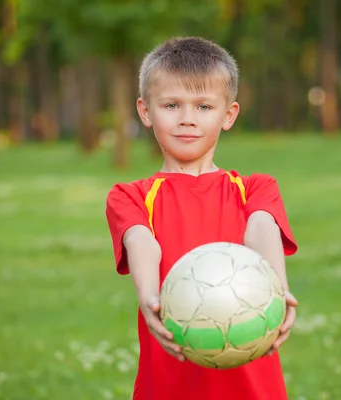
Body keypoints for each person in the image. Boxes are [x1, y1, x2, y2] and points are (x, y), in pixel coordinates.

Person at [106, 36, 298, 400]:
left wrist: (278, 290)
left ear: (228, 115)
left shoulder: (256, 188)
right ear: (146, 112)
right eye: (172, 105)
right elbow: (141, 242)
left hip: (252, 387)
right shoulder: (130, 196)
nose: (187, 119)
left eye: (204, 106)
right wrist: (150, 300)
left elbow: (261, 227)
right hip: (169, 384)